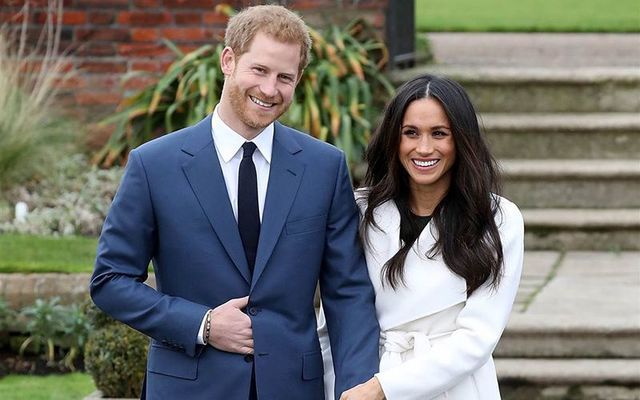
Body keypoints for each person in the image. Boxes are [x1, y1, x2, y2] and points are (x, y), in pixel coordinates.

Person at [90, 5, 380, 400]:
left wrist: (358, 388)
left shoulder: (323, 167)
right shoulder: (154, 164)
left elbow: (348, 293)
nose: (269, 89)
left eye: (285, 78)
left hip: (292, 389)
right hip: (188, 388)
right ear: (228, 60)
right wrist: (202, 324)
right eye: (258, 70)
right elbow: (110, 281)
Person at [319, 74, 524, 400]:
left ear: (461, 140)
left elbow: (478, 337)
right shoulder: (360, 210)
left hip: (452, 387)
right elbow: (335, 318)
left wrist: (385, 388)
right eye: (410, 133)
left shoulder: (498, 219)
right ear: (393, 139)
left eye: (439, 134)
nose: (424, 148)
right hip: (361, 380)